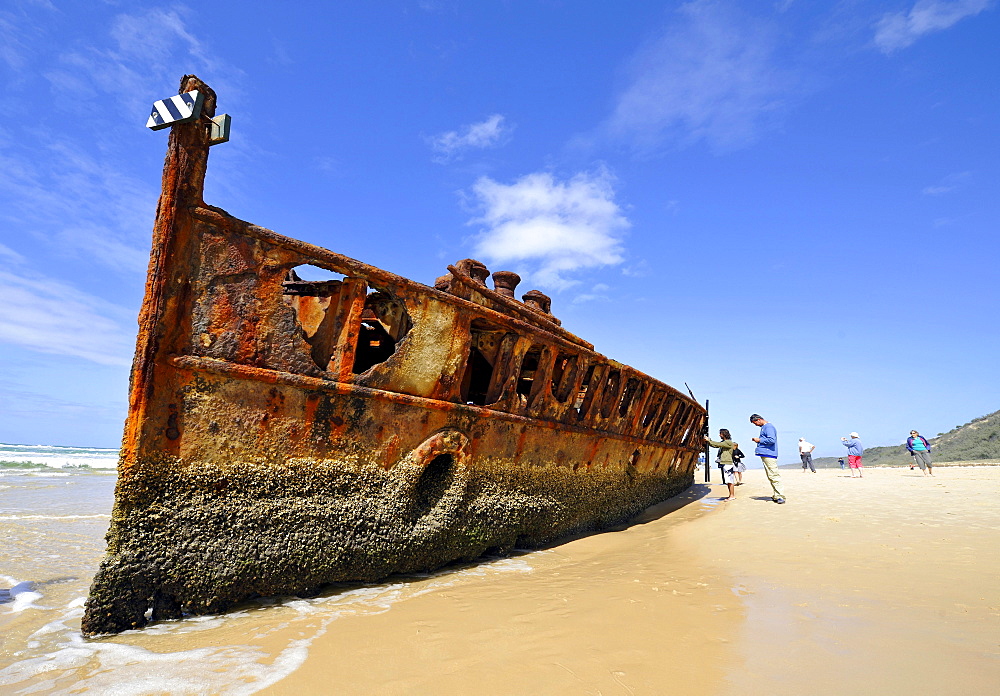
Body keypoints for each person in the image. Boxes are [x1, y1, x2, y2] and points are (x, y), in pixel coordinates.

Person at [750, 414, 785, 503]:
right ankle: (777, 494)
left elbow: (772, 440)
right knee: (771, 475)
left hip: (769, 454)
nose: (756, 425)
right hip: (767, 453)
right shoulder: (766, 427)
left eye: (755, 423)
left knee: (773, 474)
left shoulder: (768, 427)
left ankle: (780, 496)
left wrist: (759, 440)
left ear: (759, 420)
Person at [706, 429, 738, 500]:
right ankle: (731, 495)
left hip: (728, 463)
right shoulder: (725, 442)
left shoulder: (728, 442)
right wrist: (709, 441)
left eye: (720, 434)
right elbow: (714, 445)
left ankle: (732, 496)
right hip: (725, 463)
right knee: (728, 481)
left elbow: (717, 444)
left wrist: (709, 440)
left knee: (730, 480)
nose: (719, 435)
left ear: (724, 434)